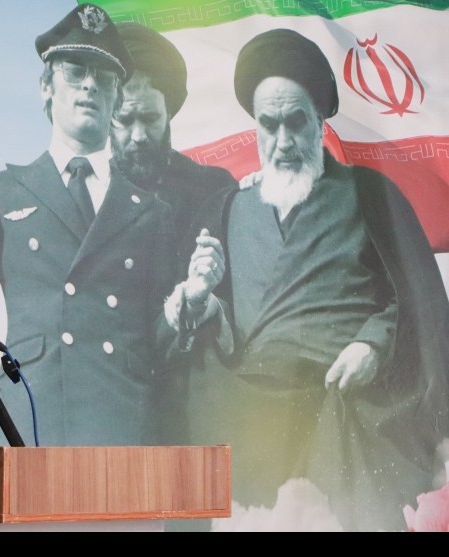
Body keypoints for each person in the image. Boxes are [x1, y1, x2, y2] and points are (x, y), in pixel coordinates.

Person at [169, 28, 449, 531]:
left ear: (320, 121)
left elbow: (419, 301)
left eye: (296, 122)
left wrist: (373, 343)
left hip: (347, 421)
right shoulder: (228, 209)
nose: (283, 142)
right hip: (256, 430)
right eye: (268, 125)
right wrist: (203, 305)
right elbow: (221, 331)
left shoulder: (369, 193)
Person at [0, 4, 190, 447]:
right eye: (75, 71)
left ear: (116, 99)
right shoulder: (2, 190)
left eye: (105, 77)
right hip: (30, 419)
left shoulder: (153, 212)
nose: (90, 85)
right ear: (46, 86)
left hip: (126, 426)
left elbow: (163, 341)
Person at [111, 22, 237, 247]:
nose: (139, 136)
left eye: (150, 118)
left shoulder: (216, 189)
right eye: (125, 120)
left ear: (168, 113)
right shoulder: (87, 197)